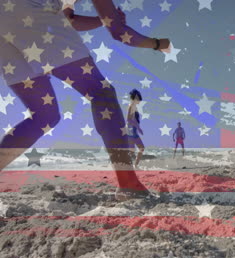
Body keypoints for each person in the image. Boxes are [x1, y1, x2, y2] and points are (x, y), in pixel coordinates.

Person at [0, 0, 170, 200]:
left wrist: (100, 20)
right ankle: (128, 183)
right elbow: (118, 31)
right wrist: (159, 44)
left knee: (44, 116)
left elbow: (69, 18)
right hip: (32, 13)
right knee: (101, 92)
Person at [127, 89, 144, 168]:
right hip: (130, 131)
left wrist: (138, 128)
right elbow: (128, 119)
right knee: (131, 151)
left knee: (141, 148)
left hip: (134, 131)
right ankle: (128, 167)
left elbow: (134, 120)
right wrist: (137, 127)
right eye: (137, 98)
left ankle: (135, 166)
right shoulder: (131, 106)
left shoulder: (134, 107)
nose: (139, 100)